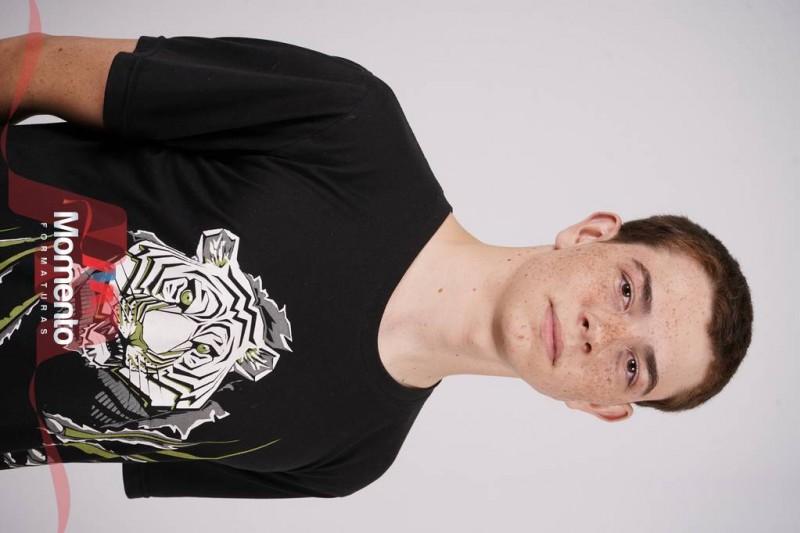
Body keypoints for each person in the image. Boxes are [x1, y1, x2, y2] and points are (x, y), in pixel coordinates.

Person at [0, 34, 752, 498]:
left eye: (633, 367)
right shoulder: (352, 125)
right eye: (627, 289)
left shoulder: (349, 461)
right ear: (590, 234)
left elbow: (55, 439)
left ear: (600, 407)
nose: (602, 332)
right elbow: (29, 67)